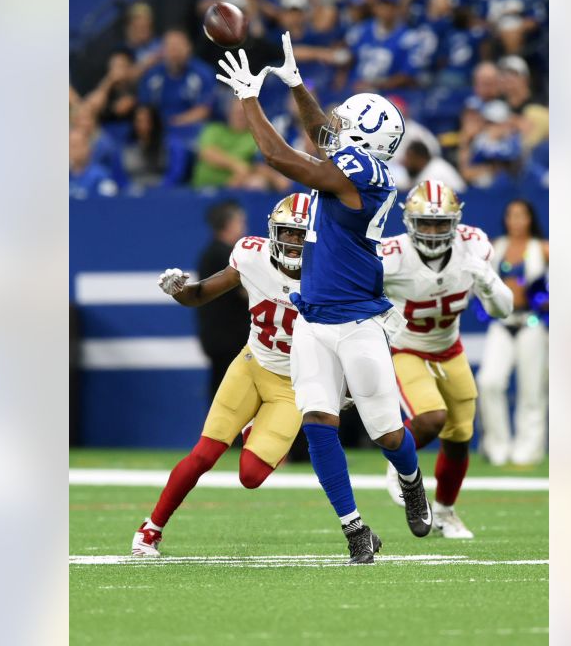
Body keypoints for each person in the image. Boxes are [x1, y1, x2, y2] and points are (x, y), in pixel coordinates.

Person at [214, 33, 432, 564]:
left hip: (359, 319)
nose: (333, 126)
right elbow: (321, 136)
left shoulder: (367, 175)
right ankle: (356, 529)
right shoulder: (355, 165)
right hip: (313, 317)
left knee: (384, 431)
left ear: (365, 140)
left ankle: (410, 477)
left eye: (346, 123)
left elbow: (282, 155)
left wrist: (249, 98)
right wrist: (294, 84)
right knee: (318, 422)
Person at [133, 194, 311, 556]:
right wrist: (179, 292)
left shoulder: (335, 272)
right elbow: (201, 295)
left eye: (300, 235)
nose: (292, 242)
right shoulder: (251, 255)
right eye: (286, 233)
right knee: (204, 454)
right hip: (251, 364)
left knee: (251, 476)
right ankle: (150, 529)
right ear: (272, 232)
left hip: (293, 384)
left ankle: (253, 427)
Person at [378, 181, 514, 537]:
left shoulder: (473, 246)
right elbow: (358, 299)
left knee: (460, 435)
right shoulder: (391, 256)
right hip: (407, 348)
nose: (434, 231)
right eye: (426, 223)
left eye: (441, 224)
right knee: (431, 417)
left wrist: (486, 280)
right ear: (409, 222)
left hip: (449, 349)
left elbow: (503, 310)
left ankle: (445, 512)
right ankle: (399, 462)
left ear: (455, 222)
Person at [476, 199, 549, 466]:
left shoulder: (542, 249)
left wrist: (548, 300)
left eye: (522, 215)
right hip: (502, 324)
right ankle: (498, 445)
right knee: (489, 382)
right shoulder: (497, 247)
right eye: (511, 215)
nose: (516, 220)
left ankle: (528, 448)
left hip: (531, 323)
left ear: (530, 219)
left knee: (532, 390)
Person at [138, 30, 217, 185]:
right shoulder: (152, 75)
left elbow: (204, 110)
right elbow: (144, 109)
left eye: (177, 47)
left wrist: (172, 122)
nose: (173, 52)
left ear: (188, 48)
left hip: (190, 128)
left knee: (177, 144)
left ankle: (169, 186)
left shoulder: (203, 73)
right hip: (157, 129)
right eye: (169, 47)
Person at [195, 201, 251, 401]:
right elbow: (247, 292)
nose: (244, 226)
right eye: (241, 221)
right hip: (229, 339)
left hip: (218, 338)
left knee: (223, 390)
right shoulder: (226, 256)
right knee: (230, 394)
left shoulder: (210, 253)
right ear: (229, 224)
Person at [344, 0, 418, 93]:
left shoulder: (408, 37)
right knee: (333, 107)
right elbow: (348, 59)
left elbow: (406, 76)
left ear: (398, 9)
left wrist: (374, 85)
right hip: (355, 90)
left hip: (389, 94)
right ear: (375, 7)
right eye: (382, 5)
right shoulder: (361, 30)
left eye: (391, 6)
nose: (386, 10)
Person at [192, 98, 259, 189]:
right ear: (229, 113)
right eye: (238, 112)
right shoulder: (214, 129)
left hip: (235, 188)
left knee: (256, 182)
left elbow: (256, 165)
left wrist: (239, 178)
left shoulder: (255, 137)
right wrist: (235, 165)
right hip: (202, 187)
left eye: (245, 113)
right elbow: (207, 153)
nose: (241, 116)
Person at [394, 141, 467, 192]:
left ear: (420, 159)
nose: (406, 162)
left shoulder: (435, 170)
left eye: (409, 158)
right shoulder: (426, 168)